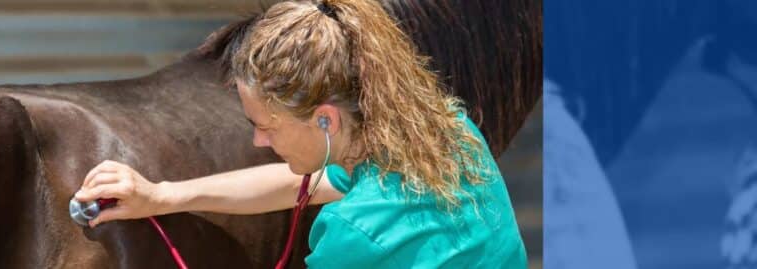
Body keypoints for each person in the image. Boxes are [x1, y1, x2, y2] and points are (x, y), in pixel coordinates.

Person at [74, 0, 527, 267]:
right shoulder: (447, 129)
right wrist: (164, 196)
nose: (258, 142)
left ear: (326, 119)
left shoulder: (355, 233)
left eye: (265, 127)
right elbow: (305, 185)